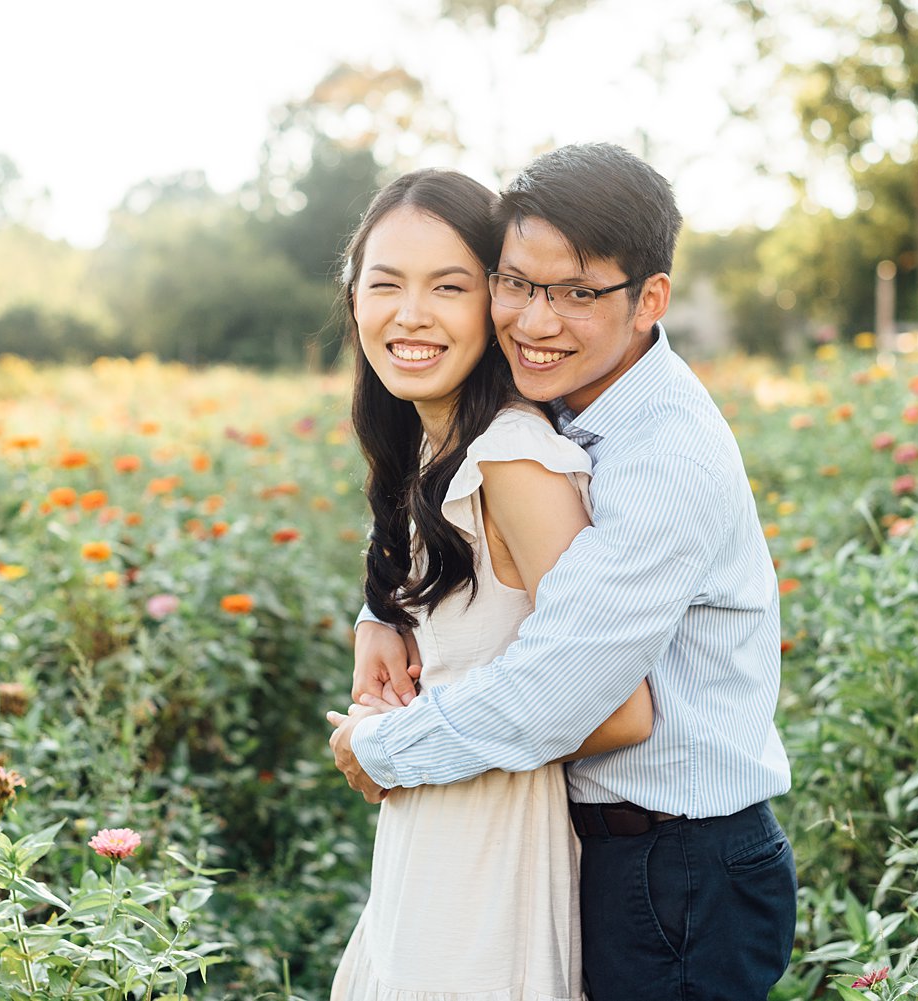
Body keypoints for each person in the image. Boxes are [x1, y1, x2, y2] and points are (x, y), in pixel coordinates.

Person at [330, 144, 796, 1000]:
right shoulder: (556, 396)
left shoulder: (661, 454)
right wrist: (383, 611)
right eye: (518, 284)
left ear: (650, 298)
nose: (537, 322)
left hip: (678, 867)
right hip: (578, 836)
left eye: (579, 293)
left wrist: (382, 747)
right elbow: (448, 509)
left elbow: (578, 697)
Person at [327, 167, 654, 1001]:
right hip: (428, 852)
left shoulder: (514, 458)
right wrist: (380, 613)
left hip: (487, 872)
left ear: (495, 304)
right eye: (386, 283)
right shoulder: (435, 453)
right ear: (354, 296)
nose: (411, 313)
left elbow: (617, 707)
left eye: (449, 286)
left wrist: (393, 744)